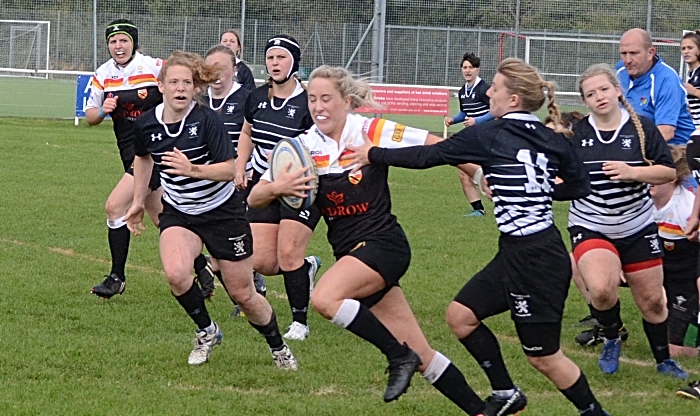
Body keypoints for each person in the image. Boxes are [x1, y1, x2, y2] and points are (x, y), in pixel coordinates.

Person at [348, 58, 611, 416]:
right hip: (517, 251)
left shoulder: (491, 134)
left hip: (537, 261)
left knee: (545, 358)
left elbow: (431, 155)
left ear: (514, 98)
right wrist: (536, 189)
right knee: (461, 316)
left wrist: (373, 154)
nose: (489, 91)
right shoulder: (550, 138)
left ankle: (594, 413)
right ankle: (505, 392)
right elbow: (580, 185)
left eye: (497, 88)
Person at [248, 64, 491, 415]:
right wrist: (277, 187)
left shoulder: (372, 130)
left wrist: (482, 175)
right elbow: (255, 198)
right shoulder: (302, 147)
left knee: (326, 297)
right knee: (424, 355)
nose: (318, 106)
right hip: (352, 254)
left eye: (326, 98)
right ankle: (480, 411)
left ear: (347, 101)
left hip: (384, 245)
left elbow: (440, 147)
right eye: (312, 99)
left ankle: (396, 355)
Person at [124, 50, 298, 369]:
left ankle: (278, 346)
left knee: (243, 295)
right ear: (160, 85)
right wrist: (137, 202)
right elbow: (143, 157)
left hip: (223, 212)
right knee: (176, 274)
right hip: (180, 213)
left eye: (186, 83)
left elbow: (230, 169)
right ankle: (207, 331)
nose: (180, 88)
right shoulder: (147, 124)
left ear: (194, 88)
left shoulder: (207, 121)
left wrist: (192, 170)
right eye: (173, 81)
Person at [567, 63, 687, 379]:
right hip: (591, 224)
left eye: (604, 89)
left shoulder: (642, 128)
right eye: (591, 94)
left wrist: (633, 172)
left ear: (617, 90)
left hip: (637, 225)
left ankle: (664, 361)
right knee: (602, 289)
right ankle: (611, 336)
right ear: (585, 101)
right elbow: (560, 178)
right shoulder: (577, 135)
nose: (599, 97)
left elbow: (668, 171)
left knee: (653, 303)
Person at [86, 19, 215, 300]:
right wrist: (103, 110)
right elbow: (90, 116)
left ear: (133, 42)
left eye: (123, 40)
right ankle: (204, 266)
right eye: (112, 41)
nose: (118, 46)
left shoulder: (153, 66)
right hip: (128, 151)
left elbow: (181, 78)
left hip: (154, 151)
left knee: (114, 206)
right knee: (162, 219)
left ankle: (117, 277)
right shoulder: (103, 74)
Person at [235, 34, 321, 341]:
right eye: (271, 57)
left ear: (294, 63)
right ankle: (307, 268)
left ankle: (300, 322)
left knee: (287, 255)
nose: (275, 62)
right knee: (264, 262)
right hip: (264, 183)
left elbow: (319, 146)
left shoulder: (308, 102)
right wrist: (239, 165)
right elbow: (247, 132)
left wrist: (292, 158)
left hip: (299, 186)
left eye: (281, 57)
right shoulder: (256, 97)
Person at [202, 45, 267, 315]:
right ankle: (250, 287)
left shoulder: (247, 99)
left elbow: (255, 137)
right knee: (217, 244)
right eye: (211, 69)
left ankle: (249, 290)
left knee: (229, 243)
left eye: (223, 68)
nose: (217, 75)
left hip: (240, 180)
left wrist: (244, 168)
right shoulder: (196, 98)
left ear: (234, 70)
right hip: (207, 181)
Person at [650, 145, 699, 358]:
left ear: (671, 178)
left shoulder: (687, 208)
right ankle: (608, 328)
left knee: (677, 351)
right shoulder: (639, 203)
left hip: (685, 283)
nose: (647, 179)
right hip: (655, 275)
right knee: (577, 264)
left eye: (654, 174)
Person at [617, 28, 695, 145]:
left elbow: (665, 133)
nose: (627, 60)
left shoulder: (667, 79)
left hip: (675, 151)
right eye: (624, 53)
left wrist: (625, 148)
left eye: (634, 53)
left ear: (650, 53)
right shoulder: (620, 71)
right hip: (634, 142)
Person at [444, 53, 490, 217]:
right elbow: (465, 113)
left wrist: (477, 121)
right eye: (465, 67)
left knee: (487, 172)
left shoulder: (485, 89)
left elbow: (496, 110)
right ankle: (478, 209)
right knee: (463, 171)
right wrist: (453, 120)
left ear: (478, 70)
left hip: (487, 137)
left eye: (471, 67)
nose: (468, 70)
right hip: (473, 136)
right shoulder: (463, 90)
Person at [681, 30, 700, 129]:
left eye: (690, 48)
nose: (686, 51)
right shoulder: (690, 74)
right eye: (683, 48)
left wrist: (695, 92)